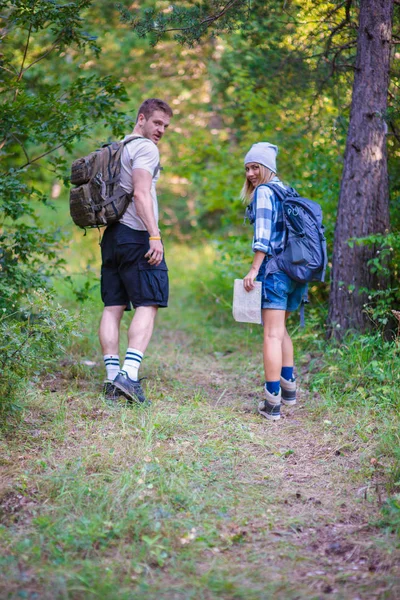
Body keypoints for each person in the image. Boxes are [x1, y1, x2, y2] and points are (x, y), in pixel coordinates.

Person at [99, 98, 173, 405]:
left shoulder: (117, 148)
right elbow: (142, 193)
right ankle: (128, 375)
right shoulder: (145, 148)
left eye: (166, 126)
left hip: (111, 236)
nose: (161, 130)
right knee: (150, 301)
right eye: (157, 123)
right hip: (136, 236)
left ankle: (110, 378)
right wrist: (154, 235)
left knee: (113, 305)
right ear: (141, 118)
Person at [241, 142, 307, 421]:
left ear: (267, 168)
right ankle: (289, 390)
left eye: (256, 167)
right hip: (295, 272)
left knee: (271, 335)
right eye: (247, 168)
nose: (250, 173)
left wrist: (254, 269)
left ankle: (272, 403)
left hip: (274, 271)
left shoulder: (266, 192)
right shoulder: (286, 190)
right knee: (280, 331)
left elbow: (263, 236)